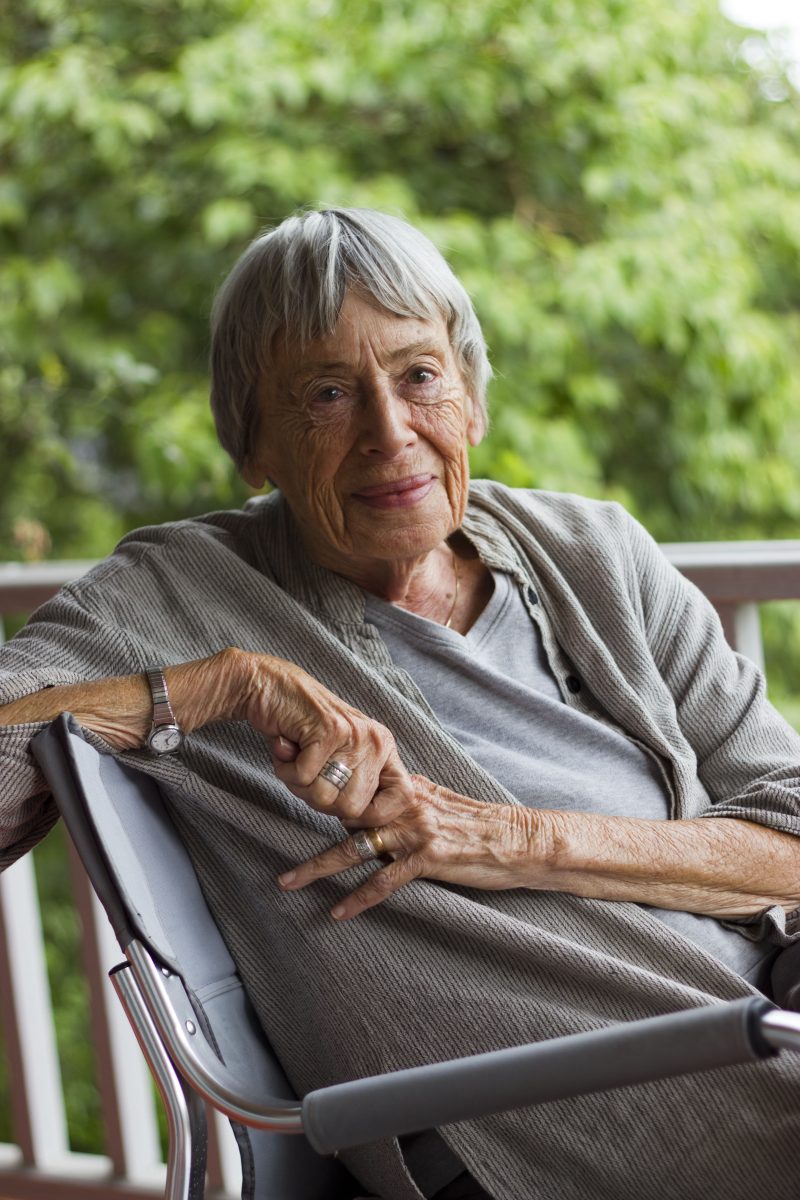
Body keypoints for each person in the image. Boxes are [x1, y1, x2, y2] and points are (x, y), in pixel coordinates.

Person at [1, 207, 800, 1200]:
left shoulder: (594, 554)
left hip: (770, 1013)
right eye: (328, 394)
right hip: (594, 1114)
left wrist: (508, 840)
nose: (390, 432)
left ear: (468, 400)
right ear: (251, 442)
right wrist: (206, 688)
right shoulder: (181, 598)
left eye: (418, 375)